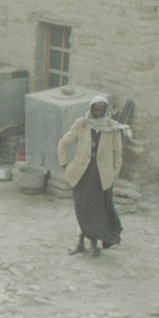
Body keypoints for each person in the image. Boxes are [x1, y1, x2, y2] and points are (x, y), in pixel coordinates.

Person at [56, 96, 128, 256]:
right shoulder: (81, 124)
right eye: (95, 110)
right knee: (82, 210)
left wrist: (114, 174)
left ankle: (94, 244)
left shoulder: (112, 128)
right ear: (91, 110)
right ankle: (80, 243)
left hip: (101, 177)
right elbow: (64, 143)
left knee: (97, 212)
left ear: (105, 111)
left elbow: (118, 153)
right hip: (83, 175)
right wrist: (65, 165)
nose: (98, 113)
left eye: (101, 110)